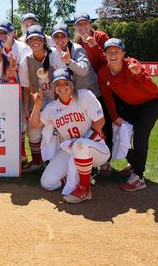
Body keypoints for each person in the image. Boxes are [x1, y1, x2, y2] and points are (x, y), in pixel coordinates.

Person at [29, 69, 110, 203]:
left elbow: (100, 121)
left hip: (96, 149)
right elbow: (35, 125)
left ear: (72, 85)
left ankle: (84, 189)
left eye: (65, 83)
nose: (62, 87)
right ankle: (81, 176)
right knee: (47, 183)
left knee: (81, 145)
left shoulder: (85, 96)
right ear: (53, 88)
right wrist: (37, 105)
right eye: (58, 84)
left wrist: (82, 143)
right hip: (70, 150)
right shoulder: (52, 108)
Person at [98, 38, 158, 191]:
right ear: (105, 54)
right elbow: (107, 97)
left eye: (116, 51)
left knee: (140, 135)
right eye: (109, 52)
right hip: (131, 106)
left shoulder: (133, 64)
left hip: (151, 103)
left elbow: (153, 90)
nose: (113, 55)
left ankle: (139, 176)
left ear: (123, 53)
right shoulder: (103, 72)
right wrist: (115, 117)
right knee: (119, 133)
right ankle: (135, 163)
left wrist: (139, 75)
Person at [72, 12, 114, 175]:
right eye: (79, 25)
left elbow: (109, 59)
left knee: (104, 124)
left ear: (90, 24)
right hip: (86, 89)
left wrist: (94, 46)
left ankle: (106, 162)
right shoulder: (75, 42)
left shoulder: (100, 36)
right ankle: (91, 160)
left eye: (85, 24)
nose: (82, 27)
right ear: (75, 27)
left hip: (101, 87)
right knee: (87, 126)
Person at [18, 25, 61, 171]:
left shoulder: (55, 54)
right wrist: (25, 109)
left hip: (56, 99)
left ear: (44, 40)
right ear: (27, 42)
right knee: (33, 130)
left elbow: (64, 81)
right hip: (37, 101)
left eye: (38, 38)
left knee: (59, 131)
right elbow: (26, 89)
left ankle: (57, 160)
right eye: (31, 39)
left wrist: (62, 105)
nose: (35, 42)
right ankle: (37, 162)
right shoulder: (25, 61)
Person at [51, 24, 100, 97]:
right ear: (52, 39)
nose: (60, 39)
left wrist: (69, 62)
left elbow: (84, 71)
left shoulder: (77, 49)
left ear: (68, 38)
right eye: (56, 36)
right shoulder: (51, 52)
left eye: (63, 36)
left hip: (90, 94)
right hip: (71, 96)